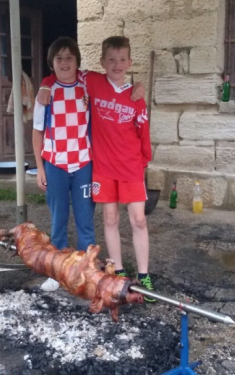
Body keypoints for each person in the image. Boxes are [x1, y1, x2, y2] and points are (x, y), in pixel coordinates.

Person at [39, 36, 156, 302]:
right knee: (110, 220)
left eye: (122, 60)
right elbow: (61, 72)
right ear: (102, 62)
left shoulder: (135, 96)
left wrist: (143, 164)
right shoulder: (91, 81)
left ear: (130, 62)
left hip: (130, 167)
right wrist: (45, 85)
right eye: (111, 60)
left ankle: (145, 274)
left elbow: (143, 133)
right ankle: (118, 271)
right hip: (102, 166)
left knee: (138, 219)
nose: (117, 64)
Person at [32, 37, 96, 292]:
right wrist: (39, 167)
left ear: (77, 61)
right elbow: (37, 132)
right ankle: (57, 271)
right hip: (55, 164)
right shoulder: (45, 94)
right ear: (52, 63)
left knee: (85, 221)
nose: (65, 62)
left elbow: (113, 78)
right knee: (58, 220)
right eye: (59, 58)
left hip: (83, 164)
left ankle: (86, 270)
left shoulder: (87, 85)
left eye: (69, 57)